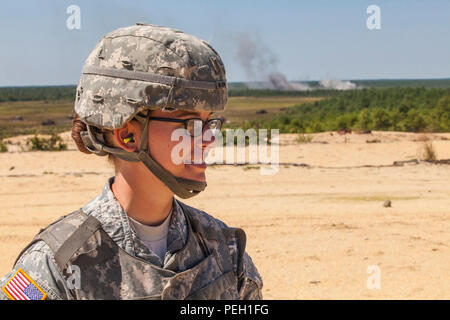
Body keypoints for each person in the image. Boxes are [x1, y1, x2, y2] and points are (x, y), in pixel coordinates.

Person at [0, 23, 262, 300]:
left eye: (211, 122)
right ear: (127, 135)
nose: (209, 138)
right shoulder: (53, 265)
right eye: (191, 124)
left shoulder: (224, 250)